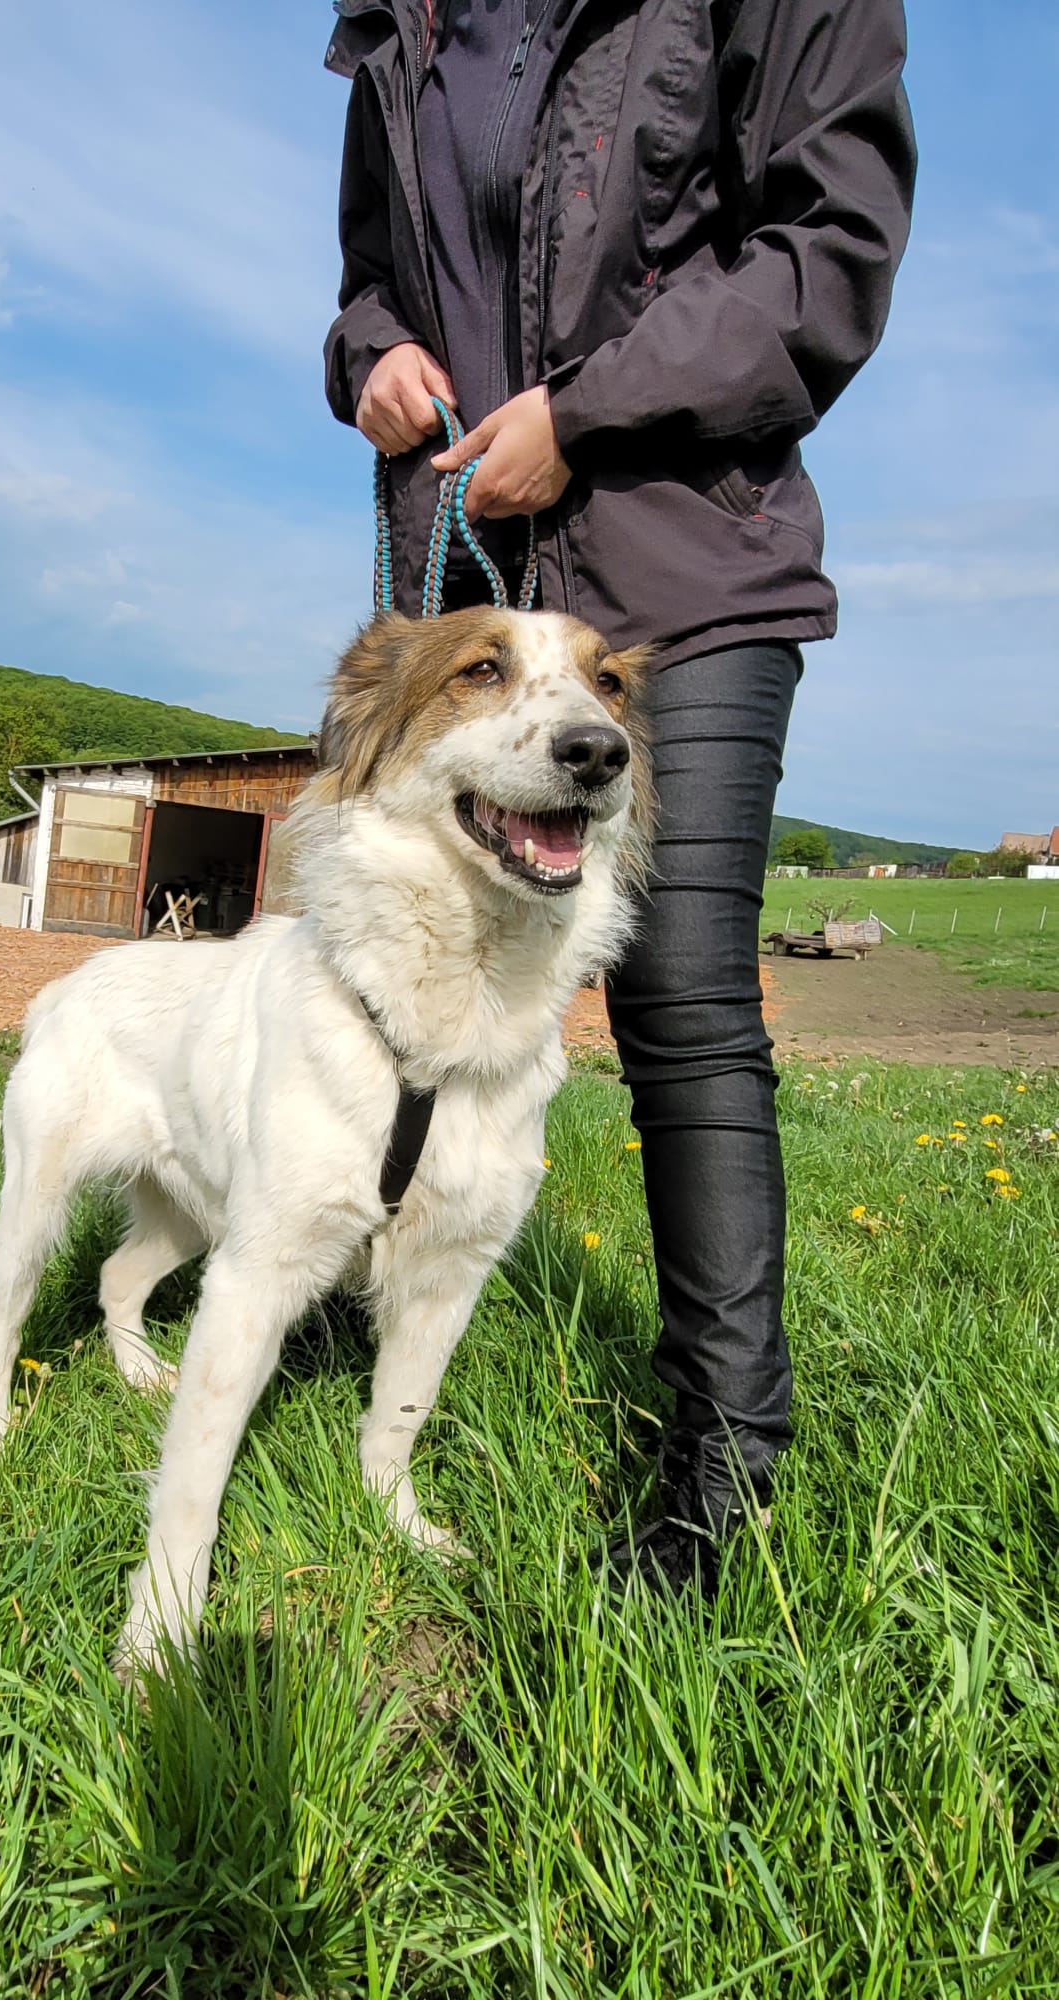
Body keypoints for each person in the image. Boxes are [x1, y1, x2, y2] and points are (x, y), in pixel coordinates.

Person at [322, 0, 915, 1590]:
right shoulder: (398, 30)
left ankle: (725, 1468)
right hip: (477, 590)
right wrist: (371, 358)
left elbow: (829, 253)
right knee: (405, 969)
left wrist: (581, 418)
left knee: (680, 990)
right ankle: (345, 1293)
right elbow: (371, 282)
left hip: (681, 568)